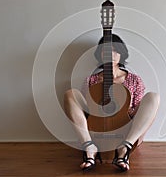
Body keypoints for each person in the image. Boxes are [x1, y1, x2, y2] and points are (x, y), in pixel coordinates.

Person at [63, 34, 160, 172]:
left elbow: (136, 111)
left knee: (153, 97)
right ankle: (89, 147)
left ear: (122, 54)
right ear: (100, 54)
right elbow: (87, 111)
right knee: (70, 94)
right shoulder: (91, 80)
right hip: (96, 129)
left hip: (126, 132)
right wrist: (100, 93)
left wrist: (118, 99)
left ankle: (124, 148)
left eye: (115, 50)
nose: (111, 54)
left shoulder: (134, 80)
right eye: (106, 50)